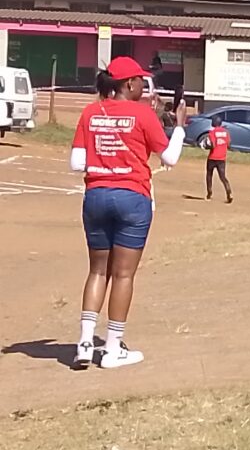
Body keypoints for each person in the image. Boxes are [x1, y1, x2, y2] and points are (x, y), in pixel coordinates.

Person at [70, 56, 186, 369]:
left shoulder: (91, 111)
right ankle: (111, 348)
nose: (144, 88)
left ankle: (84, 343)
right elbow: (170, 158)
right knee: (123, 274)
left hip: (95, 196)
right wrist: (179, 127)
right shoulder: (142, 114)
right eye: (141, 82)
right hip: (132, 197)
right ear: (128, 84)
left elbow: (77, 162)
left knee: (97, 271)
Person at [205, 115, 233, 203]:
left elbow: (212, 145)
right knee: (223, 177)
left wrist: (207, 146)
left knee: (209, 175)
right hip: (222, 158)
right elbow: (229, 145)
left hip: (213, 157)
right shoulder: (226, 132)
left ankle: (209, 193)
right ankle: (229, 192)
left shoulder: (212, 132)